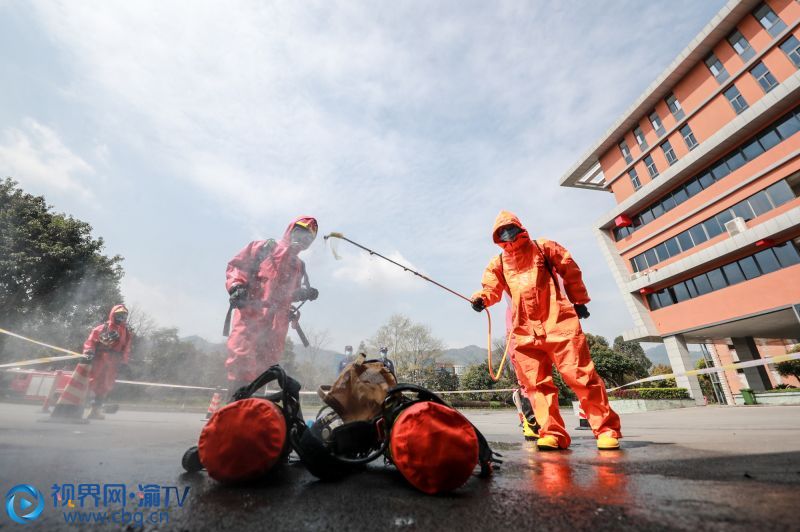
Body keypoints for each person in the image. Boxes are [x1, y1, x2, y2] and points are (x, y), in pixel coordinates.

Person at [471, 210, 621, 450]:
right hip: (523, 332)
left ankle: (606, 430)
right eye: (501, 232)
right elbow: (490, 288)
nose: (507, 234)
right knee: (536, 385)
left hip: (559, 323)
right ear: (496, 237)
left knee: (581, 376)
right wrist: (481, 299)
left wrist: (579, 300)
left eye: (509, 228)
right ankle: (551, 433)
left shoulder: (544, 247)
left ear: (520, 228)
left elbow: (570, 269)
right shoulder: (498, 263)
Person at [225, 216, 319, 397]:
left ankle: (254, 417)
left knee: (264, 371)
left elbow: (286, 295)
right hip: (250, 320)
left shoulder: (298, 265)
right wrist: (236, 287)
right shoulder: (264, 248)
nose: (302, 239)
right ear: (290, 230)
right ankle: (232, 413)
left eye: (308, 238)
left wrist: (304, 294)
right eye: (300, 232)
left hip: (276, 328)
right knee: (241, 365)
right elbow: (237, 267)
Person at [83, 304, 132, 420]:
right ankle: (79, 406)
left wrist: (124, 362)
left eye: (124, 316)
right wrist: (89, 352)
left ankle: (95, 411)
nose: (121, 318)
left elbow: (126, 348)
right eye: (119, 315)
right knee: (91, 383)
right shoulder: (102, 328)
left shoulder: (126, 332)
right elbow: (90, 342)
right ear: (113, 315)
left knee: (105, 386)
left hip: (113, 362)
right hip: (100, 359)